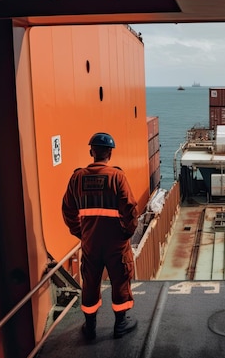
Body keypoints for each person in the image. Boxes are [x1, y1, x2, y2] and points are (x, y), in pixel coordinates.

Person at [62, 132, 139, 341]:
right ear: (110, 154)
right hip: (116, 243)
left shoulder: (77, 178)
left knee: (90, 283)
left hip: (90, 243)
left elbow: (68, 211)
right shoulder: (117, 177)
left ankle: (90, 328)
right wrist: (126, 233)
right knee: (121, 280)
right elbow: (130, 211)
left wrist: (82, 233)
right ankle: (120, 325)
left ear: (91, 152)